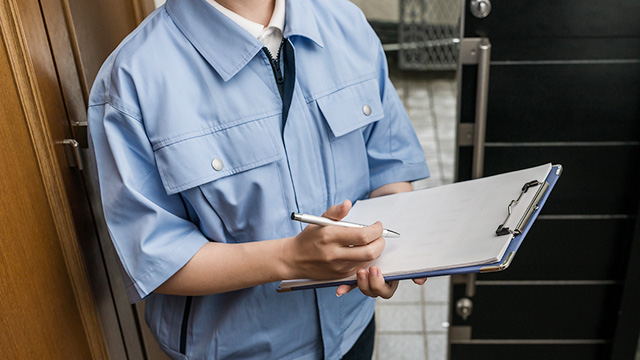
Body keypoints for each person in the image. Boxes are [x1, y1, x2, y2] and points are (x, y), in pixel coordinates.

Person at [88, 0, 430, 358]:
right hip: (239, 351)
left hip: (353, 330)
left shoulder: (345, 22)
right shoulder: (132, 80)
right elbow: (156, 260)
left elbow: (388, 168)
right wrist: (289, 258)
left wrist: (387, 258)